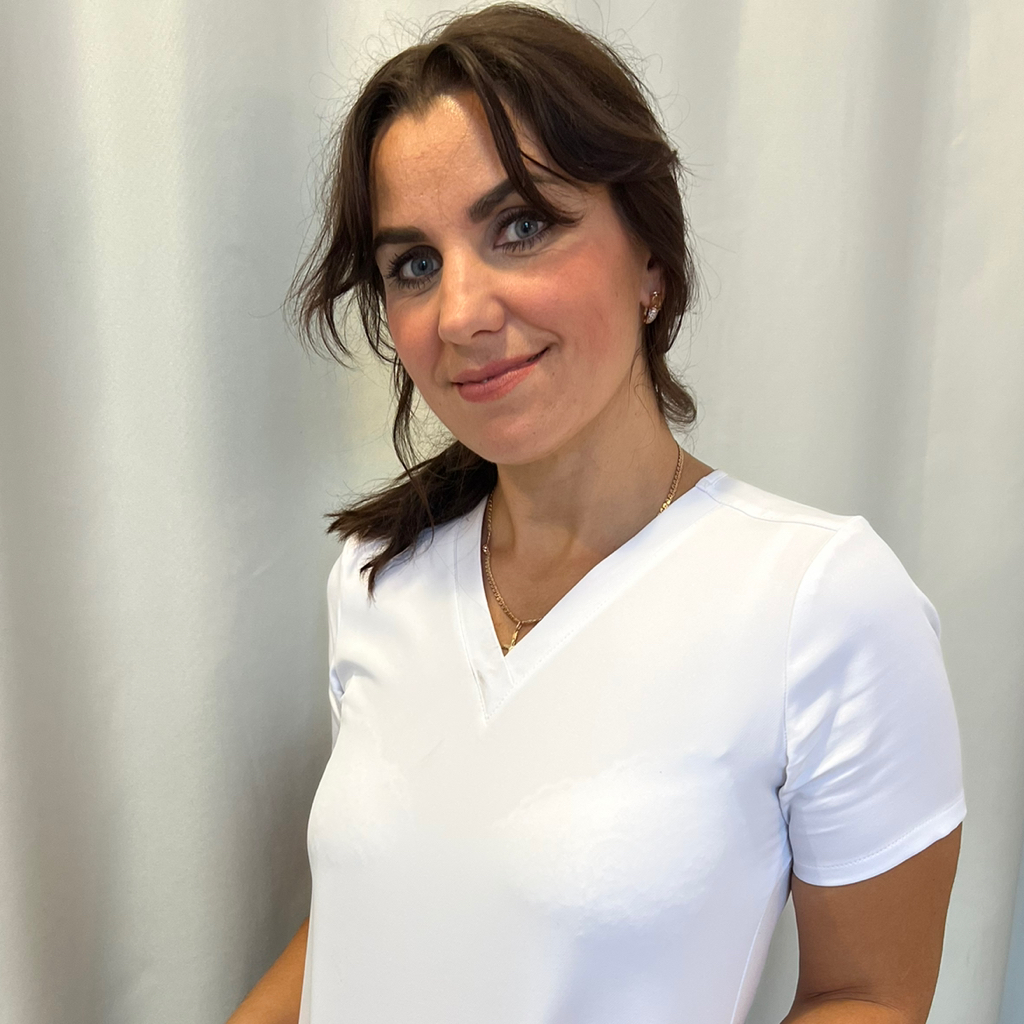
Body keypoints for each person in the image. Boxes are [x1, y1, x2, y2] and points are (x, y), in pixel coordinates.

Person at [228, 5, 965, 1022]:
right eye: (414, 264)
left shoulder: (821, 603)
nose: (460, 313)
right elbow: (362, 919)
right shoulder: (375, 574)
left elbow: (868, 993)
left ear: (650, 258)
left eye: (521, 226)